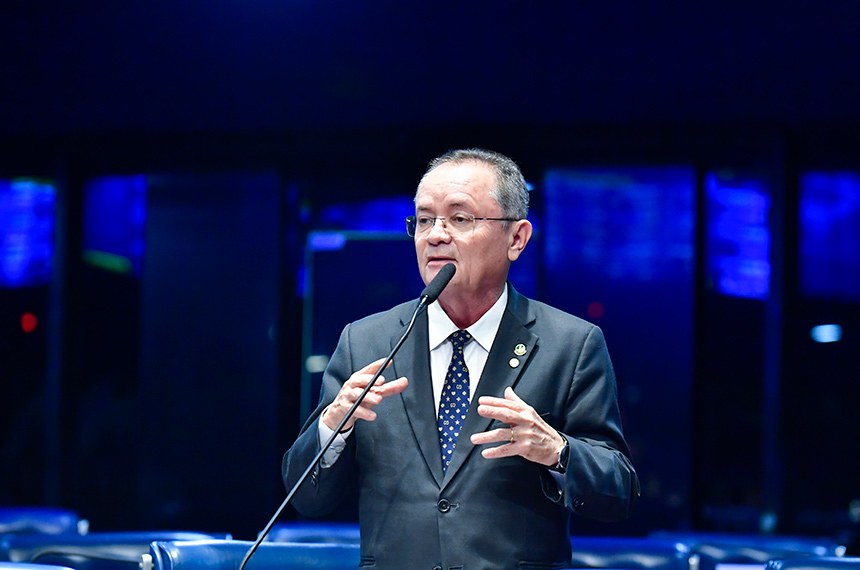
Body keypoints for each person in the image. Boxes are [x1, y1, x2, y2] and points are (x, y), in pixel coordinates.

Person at [282, 148, 639, 569]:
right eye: (424, 219)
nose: (435, 235)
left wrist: (557, 450)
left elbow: (618, 492)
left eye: (460, 219)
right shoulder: (366, 341)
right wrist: (331, 429)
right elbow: (306, 496)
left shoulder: (570, 345)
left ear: (517, 238)